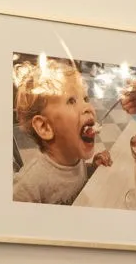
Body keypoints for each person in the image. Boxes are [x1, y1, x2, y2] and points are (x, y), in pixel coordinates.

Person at [12, 56, 112, 205]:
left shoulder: (74, 155)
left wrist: (92, 168)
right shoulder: (29, 186)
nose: (88, 107)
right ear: (45, 127)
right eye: (71, 101)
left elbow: (76, 181)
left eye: (85, 99)